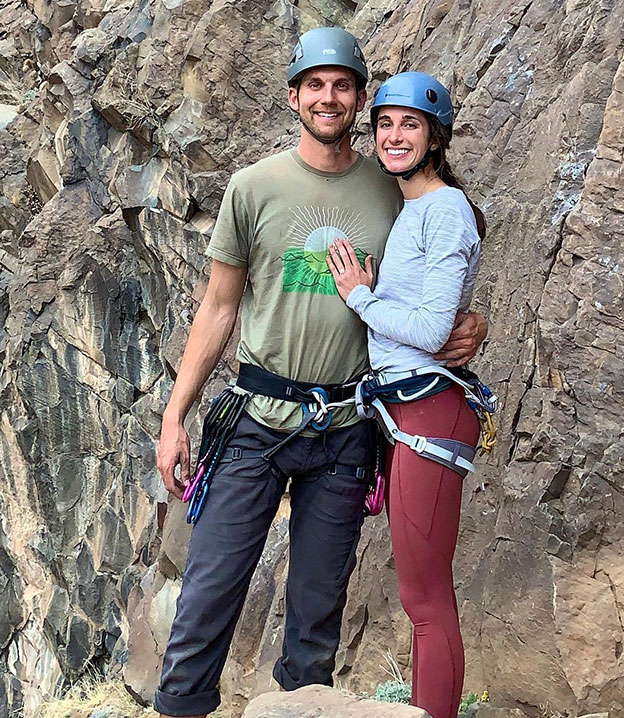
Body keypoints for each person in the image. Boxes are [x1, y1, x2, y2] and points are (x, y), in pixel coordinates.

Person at [154, 29, 488, 718]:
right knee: (209, 591)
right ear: (294, 96)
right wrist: (174, 413)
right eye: (315, 84)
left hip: (347, 428)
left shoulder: (392, 188)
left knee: (317, 610)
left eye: (342, 85)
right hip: (256, 418)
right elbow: (218, 308)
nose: (328, 97)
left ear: (358, 97)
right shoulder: (253, 188)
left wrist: (470, 322)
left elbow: (436, 265)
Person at [327, 72, 486, 718]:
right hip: (410, 410)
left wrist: (360, 298)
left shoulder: (443, 210)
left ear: (436, 136)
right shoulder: (419, 209)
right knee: (422, 597)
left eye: (410, 125)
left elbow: (428, 330)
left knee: (426, 601)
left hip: (428, 409)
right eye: (385, 124)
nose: (394, 136)